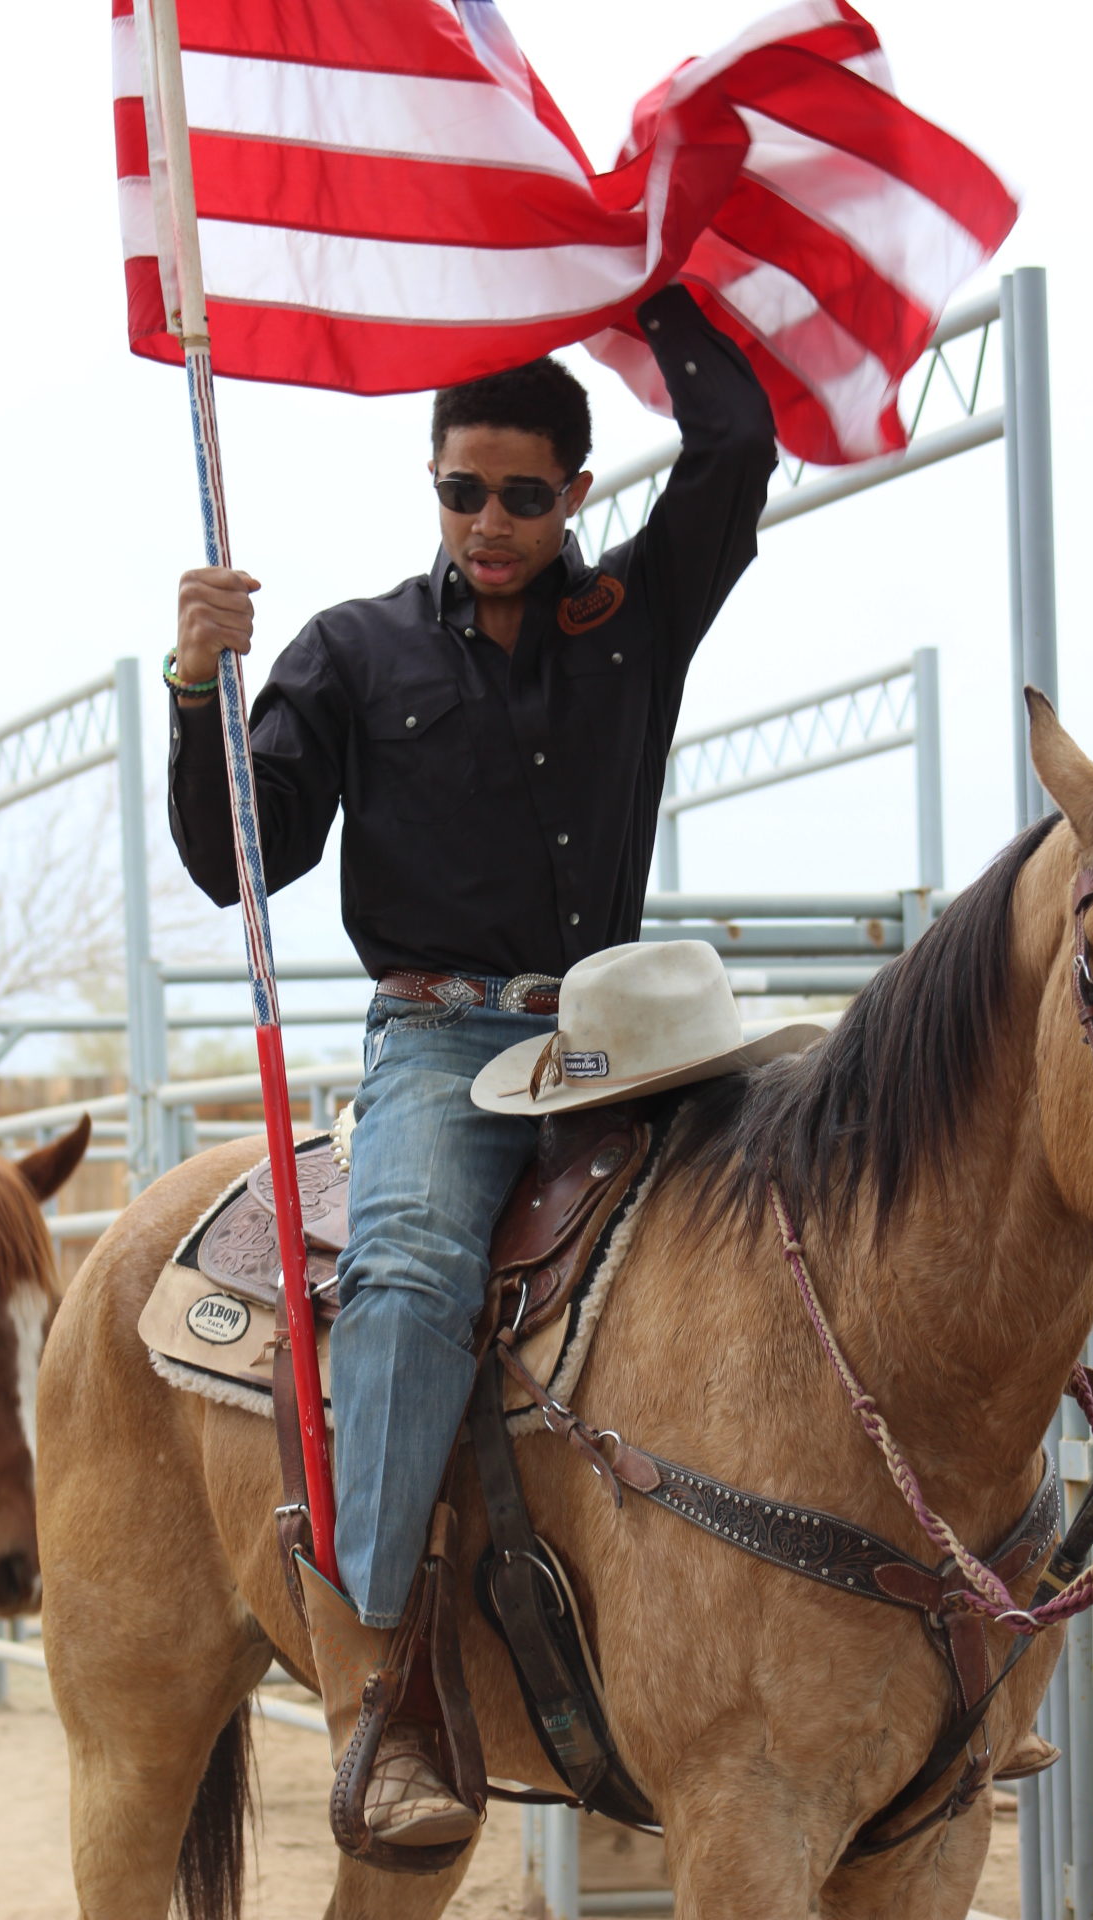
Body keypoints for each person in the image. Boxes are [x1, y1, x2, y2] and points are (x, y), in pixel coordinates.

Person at [166, 283, 778, 1844]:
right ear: (432, 485)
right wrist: (196, 686)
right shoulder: (351, 652)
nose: (489, 523)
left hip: (623, 1034)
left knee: (802, 1216)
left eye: (521, 495)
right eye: (462, 491)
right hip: (443, 1041)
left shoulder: (637, 615)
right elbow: (236, 861)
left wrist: (645, 274)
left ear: (575, 492)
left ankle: (910, 1628)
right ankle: (383, 1684)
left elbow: (735, 444)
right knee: (412, 1277)